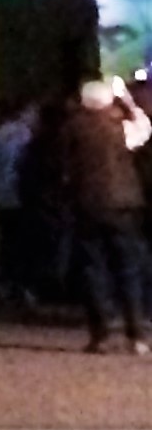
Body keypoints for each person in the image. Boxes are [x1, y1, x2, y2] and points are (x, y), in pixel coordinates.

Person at [59, 78, 150, 355]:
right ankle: (136, 335)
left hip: (87, 204)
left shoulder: (72, 129)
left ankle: (101, 334)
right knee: (128, 268)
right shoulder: (119, 127)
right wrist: (129, 102)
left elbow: (62, 166)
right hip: (123, 203)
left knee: (93, 269)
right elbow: (145, 128)